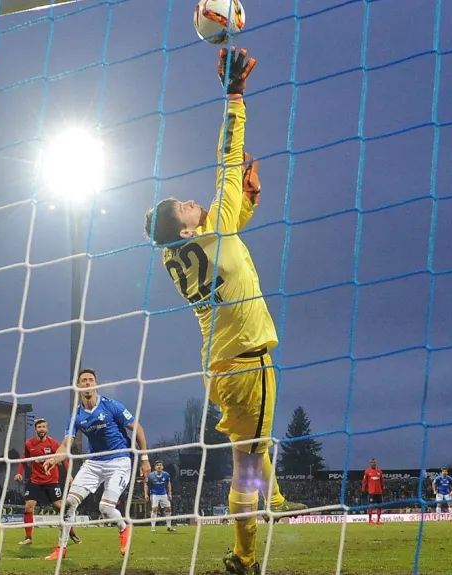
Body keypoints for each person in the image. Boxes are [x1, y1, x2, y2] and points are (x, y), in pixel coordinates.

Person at [142, 46, 304, 575]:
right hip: (247, 363)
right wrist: (234, 97)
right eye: (185, 204)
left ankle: (271, 503)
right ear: (187, 227)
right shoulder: (213, 229)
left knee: (252, 447)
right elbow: (229, 160)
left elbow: (228, 228)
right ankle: (244, 554)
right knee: (245, 459)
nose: (194, 200)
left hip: (220, 367)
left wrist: (246, 202)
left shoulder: (180, 254)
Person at [42, 369, 151, 561]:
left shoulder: (111, 406)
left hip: (119, 460)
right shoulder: (76, 415)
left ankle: (124, 528)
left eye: (90, 380)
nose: (87, 383)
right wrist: (55, 458)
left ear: (95, 384)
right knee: (68, 504)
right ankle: (61, 548)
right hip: (93, 463)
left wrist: (144, 459)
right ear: (78, 386)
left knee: (105, 508)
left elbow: (138, 428)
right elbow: (66, 445)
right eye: (83, 380)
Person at [14, 418, 80, 546]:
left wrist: (69, 474)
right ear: (36, 429)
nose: (41, 429)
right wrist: (18, 472)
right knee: (29, 507)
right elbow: (24, 459)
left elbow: (63, 460)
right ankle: (28, 538)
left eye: (44, 427)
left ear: (47, 429)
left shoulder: (54, 444)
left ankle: (71, 532)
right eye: (39, 427)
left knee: (60, 507)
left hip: (51, 481)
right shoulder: (29, 444)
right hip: (35, 481)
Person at [145, 460, 175, 532]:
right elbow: (146, 484)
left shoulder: (166, 474)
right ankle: (153, 527)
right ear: (155, 467)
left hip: (164, 494)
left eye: (160, 465)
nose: (159, 466)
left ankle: (169, 526)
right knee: (155, 509)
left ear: (162, 467)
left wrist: (169, 493)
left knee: (168, 509)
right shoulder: (150, 475)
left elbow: (168, 484)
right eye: (158, 465)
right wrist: (146, 494)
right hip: (154, 494)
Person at [361, 458, 385, 525]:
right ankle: (370, 521)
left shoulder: (379, 471)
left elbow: (381, 481)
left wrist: (383, 488)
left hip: (379, 492)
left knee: (379, 506)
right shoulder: (367, 471)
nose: (373, 463)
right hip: (371, 492)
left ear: (376, 463)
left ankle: (378, 520)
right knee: (370, 506)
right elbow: (364, 481)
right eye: (372, 462)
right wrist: (363, 488)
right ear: (370, 463)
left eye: (374, 462)